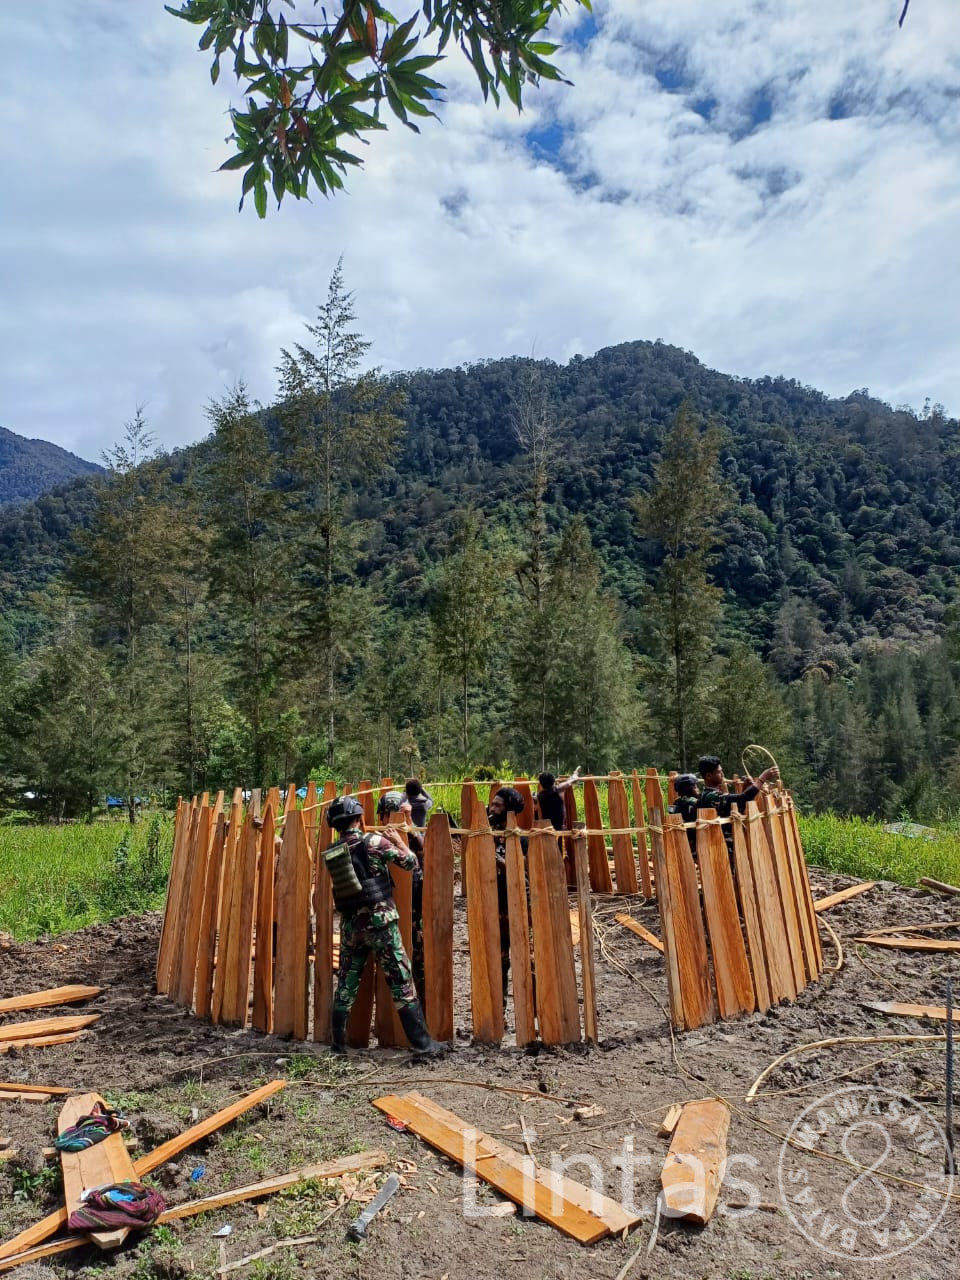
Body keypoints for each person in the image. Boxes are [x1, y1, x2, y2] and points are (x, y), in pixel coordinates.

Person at [323, 795, 446, 1058]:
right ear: (359, 818)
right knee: (401, 981)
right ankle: (424, 1045)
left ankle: (337, 1047)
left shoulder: (332, 851)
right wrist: (400, 842)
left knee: (346, 985)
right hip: (381, 924)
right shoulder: (374, 842)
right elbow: (410, 863)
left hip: (351, 928)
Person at [378, 789, 426, 1004]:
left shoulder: (411, 835)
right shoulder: (378, 840)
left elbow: (419, 854)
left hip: (413, 913)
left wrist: (407, 824)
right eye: (390, 815)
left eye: (398, 814)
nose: (393, 819)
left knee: (418, 962)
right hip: (388, 913)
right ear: (382, 817)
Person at [486, 786, 526, 1000]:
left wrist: (498, 861)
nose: (491, 808)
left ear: (510, 810)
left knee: (525, 959)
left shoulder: (521, 840)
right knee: (497, 961)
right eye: (492, 804)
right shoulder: (485, 836)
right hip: (493, 908)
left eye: (497, 805)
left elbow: (523, 875)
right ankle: (499, 1009)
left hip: (516, 908)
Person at [697, 755, 779, 852]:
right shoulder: (710, 796)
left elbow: (736, 804)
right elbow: (742, 799)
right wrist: (762, 778)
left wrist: (745, 788)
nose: (723, 774)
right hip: (719, 847)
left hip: (722, 844)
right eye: (719, 772)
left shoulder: (712, 793)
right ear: (708, 776)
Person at [534, 767, 581, 831]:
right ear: (553, 781)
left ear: (541, 784)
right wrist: (575, 774)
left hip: (548, 826)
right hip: (560, 826)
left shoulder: (539, 795)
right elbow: (572, 780)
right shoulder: (558, 789)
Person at [669, 773, 700, 853]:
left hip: (681, 839)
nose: (698, 789)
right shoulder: (695, 802)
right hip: (695, 840)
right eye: (695, 787)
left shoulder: (676, 802)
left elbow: (671, 814)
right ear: (689, 789)